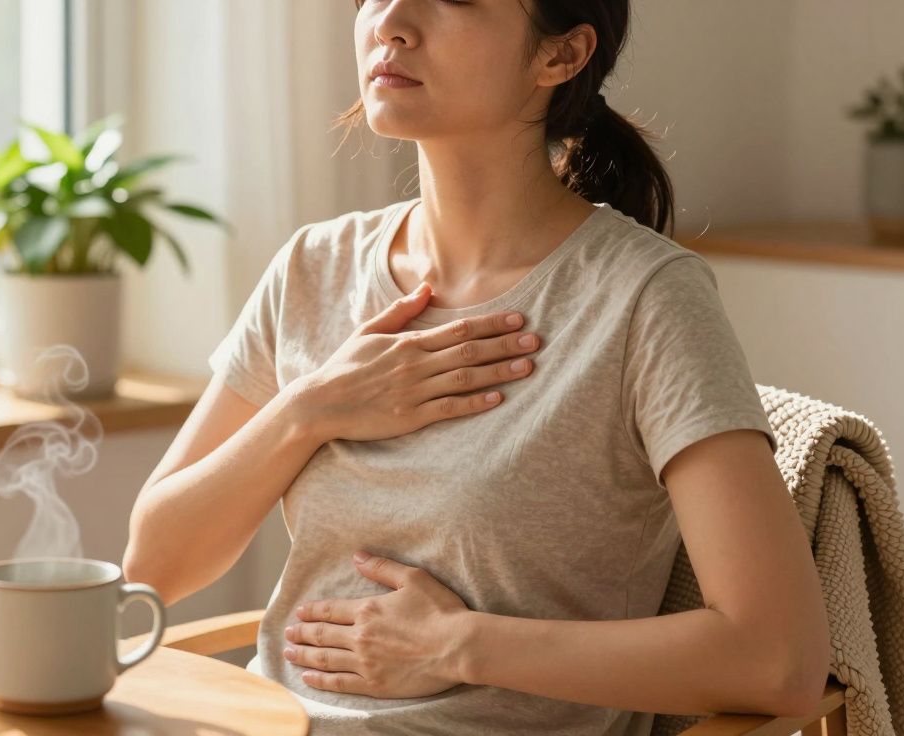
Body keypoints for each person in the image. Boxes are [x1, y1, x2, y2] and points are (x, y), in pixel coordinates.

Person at [124, 1, 831, 733]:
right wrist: (311, 409)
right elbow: (154, 564)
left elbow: (777, 661)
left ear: (559, 56)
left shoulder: (644, 299)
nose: (390, 21)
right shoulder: (313, 267)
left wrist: (460, 647)